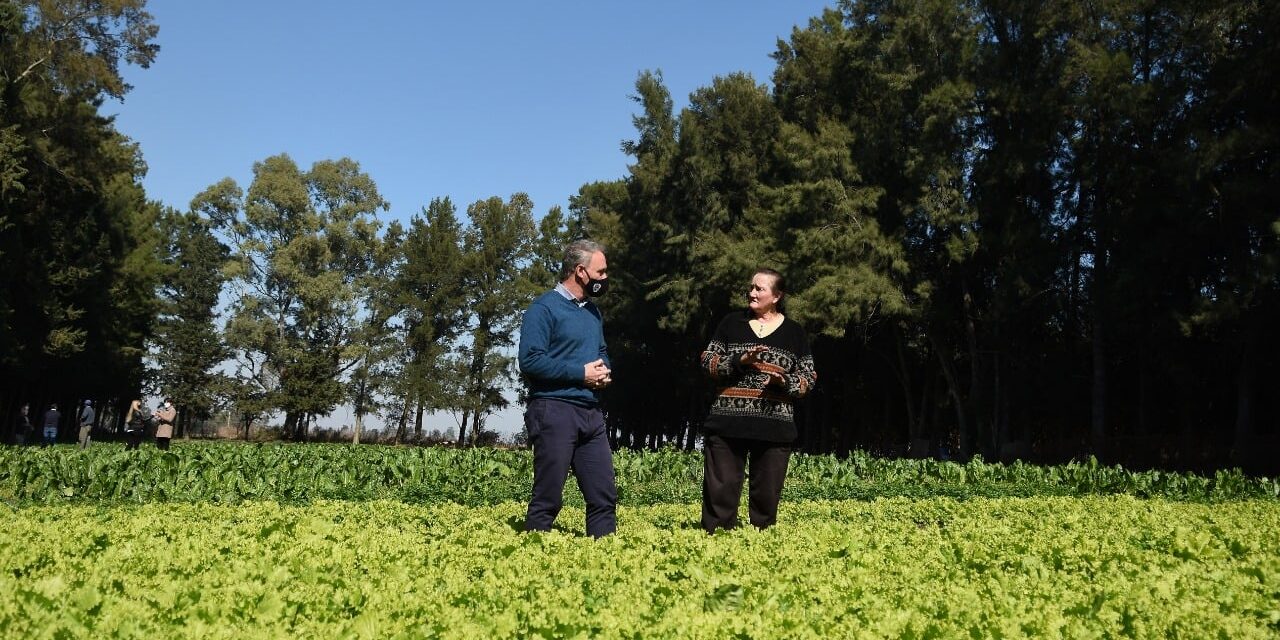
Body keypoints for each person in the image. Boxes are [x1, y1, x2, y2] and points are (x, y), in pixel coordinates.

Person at [698, 268, 816, 532]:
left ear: (777, 296)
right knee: (720, 494)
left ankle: (760, 550)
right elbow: (707, 362)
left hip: (775, 428)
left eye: (759, 289)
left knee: (766, 501)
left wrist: (783, 381)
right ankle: (715, 545)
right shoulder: (730, 323)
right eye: (751, 287)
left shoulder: (795, 333)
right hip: (727, 425)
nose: (751, 293)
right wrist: (739, 361)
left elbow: (808, 379)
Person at [517, 239, 617, 538]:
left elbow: (601, 350)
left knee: (603, 496)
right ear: (580, 271)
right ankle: (533, 559)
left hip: (590, 413)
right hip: (553, 410)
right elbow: (530, 361)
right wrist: (580, 373)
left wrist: (603, 371)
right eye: (600, 272)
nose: (604, 278)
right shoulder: (543, 308)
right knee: (548, 497)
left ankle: (605, 560)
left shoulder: (592, 312)